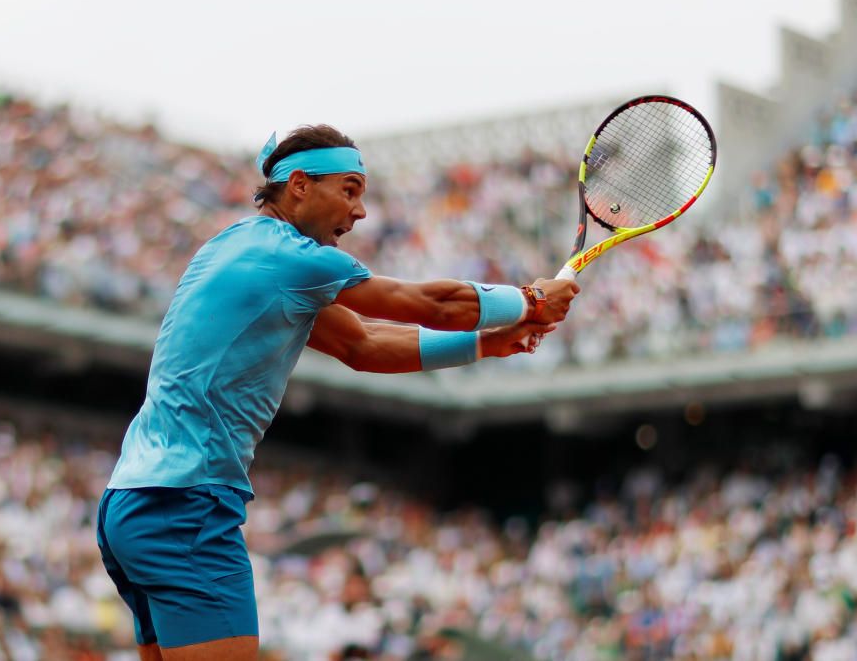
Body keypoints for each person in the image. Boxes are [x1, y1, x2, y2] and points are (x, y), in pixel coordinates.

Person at [95, 124, 580, 661]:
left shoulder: (234, 247)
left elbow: (362, 344)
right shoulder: (294, 258)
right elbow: (431, 303)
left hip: (130, 503)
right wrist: (530, 301)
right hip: (187, 502)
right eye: (349, 190)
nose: (361, 211)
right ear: (299, 185)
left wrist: (485, 345)